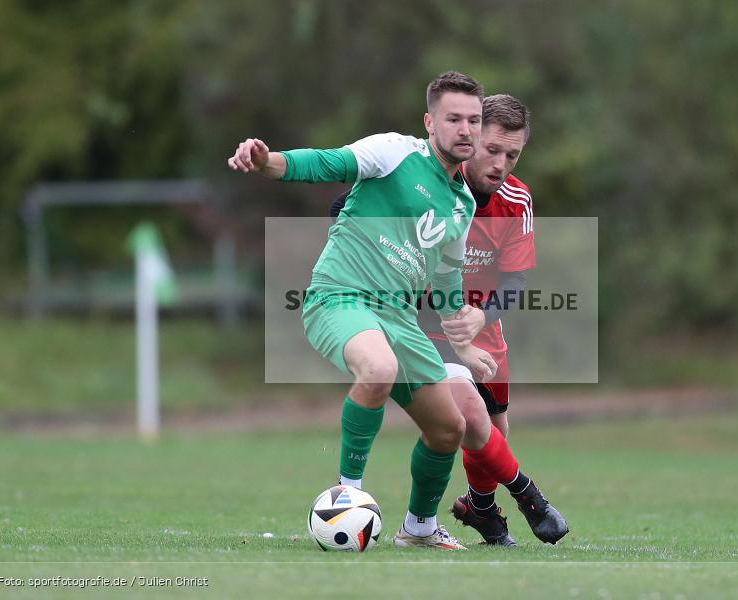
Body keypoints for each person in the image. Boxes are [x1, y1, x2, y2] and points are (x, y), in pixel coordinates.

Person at [228, 71, 497, 550]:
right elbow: (325, 163)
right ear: (429, 122)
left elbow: (447, 281)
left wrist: (466, 346)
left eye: (473, 120)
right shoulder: (395, 152)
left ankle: (418, 529)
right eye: (453, 118)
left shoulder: (461, 202)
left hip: (399, 318)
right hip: (341, 295)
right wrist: (267, 160)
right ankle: (346, 497)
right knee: (378, 368)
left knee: (449, 428)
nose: (465, 130)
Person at [331, 94, 569, 546]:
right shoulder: (425, 180)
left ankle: (480, 509)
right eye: (491, 150)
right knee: (470, 415)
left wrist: (482, 315)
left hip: (479, 329)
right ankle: (528, 498)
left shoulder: (516, 200)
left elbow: (517, 282)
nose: (500, 164)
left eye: (512, 155)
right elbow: (347, 207)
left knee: (492, 439)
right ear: (469, 139)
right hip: (420, 324)